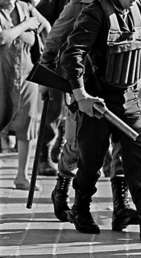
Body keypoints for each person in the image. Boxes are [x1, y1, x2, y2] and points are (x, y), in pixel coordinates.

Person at [59, 0, 141, 240]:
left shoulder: (135, 8)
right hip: (99, 102)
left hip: (128, 98)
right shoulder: (94, 12)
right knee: (91, 160)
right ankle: (81, 209)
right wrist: (81, 95)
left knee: (139, 157)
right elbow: (73, 53)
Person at [39, 0, 141, 232]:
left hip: (118, 87)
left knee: (121, 146)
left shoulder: (130, 4)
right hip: (83, 87)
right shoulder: (80, 4)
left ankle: (121, 206)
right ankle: (62, 188)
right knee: (77, 146)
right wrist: (45, 73)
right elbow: (56, 37)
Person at [0, 0, 50, 190]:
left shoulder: (25, 7)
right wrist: (26, 26)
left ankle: (22, 175)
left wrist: (46, 48)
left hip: (27, 74)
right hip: (2, 76)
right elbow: (2, 37)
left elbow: (46, 26)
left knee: (28, 123)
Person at [34, 0, 70, 176]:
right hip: (58, 62)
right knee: (54, 110)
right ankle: (44, 156)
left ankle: (60, 148)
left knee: (78, 111)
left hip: (85, 60)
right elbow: (38, 18)